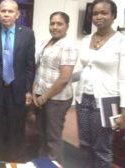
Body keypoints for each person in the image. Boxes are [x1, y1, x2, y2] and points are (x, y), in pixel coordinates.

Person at [0, 0, 35, 162]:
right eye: (3, 11)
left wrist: (28, 90)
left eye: (10, 11)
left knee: (16, 128)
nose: (6, 14)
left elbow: (30, 65)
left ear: (17, 14)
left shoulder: (28, 34)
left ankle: (14, 161)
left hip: (17, 89)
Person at [74, 0, 125, 168]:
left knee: (102, 147)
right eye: (95, 13)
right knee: (85, 144)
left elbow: (124, 78)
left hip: (106, 101)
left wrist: (124, 110)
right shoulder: (87, 39)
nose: (98, 16)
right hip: (82, 98)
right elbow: (86, 68)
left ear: (113, 15)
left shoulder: (121, 41)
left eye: (104, 13)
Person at [33, 11, 78, 165]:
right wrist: (34, 91)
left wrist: (44, 97)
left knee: (53, 137)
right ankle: (42, 164)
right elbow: (39, 68)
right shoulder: (45, 42)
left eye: (59, 24)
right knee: (41, 134)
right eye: (52, 23)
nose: (55, 27)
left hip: (56, 99)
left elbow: (64, 78)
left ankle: (55, 164)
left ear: (67, 26)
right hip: (40, 95)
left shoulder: (68, 46)